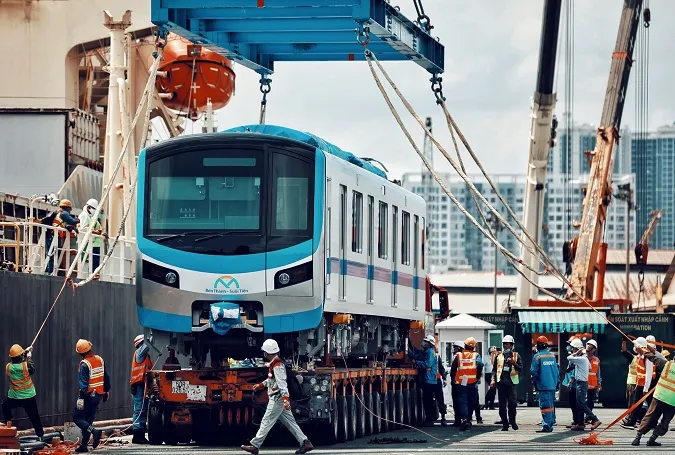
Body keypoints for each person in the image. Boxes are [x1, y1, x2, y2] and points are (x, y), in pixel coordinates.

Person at [241, 339, 313, 455]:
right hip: (279, 399)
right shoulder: (275, 364)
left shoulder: (278, 366)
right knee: (291, 423)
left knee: (266, 421)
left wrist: (285, 400)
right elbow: (271, 380)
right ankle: (305, 442)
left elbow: (282, 384)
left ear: (267, 353)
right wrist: (260, 385)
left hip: (277, 399)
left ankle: (255, 445)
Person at [631, 342, 675, 446]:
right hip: (672, 401)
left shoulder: (667, 364)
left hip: (660, 395)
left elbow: (653, 358)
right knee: (665, 421)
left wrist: (643, 350)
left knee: (650, 416)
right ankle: (652, 439)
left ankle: (637, 438)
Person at [74, 339, 110, 453]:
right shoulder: (100, 359)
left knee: (78, 418)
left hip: (87, 396)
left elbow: (83, 385)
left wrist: (81, 398)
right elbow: (106, 377)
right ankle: (84, 445)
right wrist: (106, 391)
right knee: (88, 420)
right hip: (98, 395)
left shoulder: (84, 364)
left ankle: (94, 431)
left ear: (79, 353)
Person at [1, 344, 44, 439]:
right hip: (28, 397)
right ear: (21, 356)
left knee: (5, 405)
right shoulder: (26, 366)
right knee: (34, 417)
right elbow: (32, 369)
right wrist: (28, 357)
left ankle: (8, 420)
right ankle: (40, 436)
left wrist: (25, 352)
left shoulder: (8, 367)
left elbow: (19, 361)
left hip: (15, 397)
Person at [622, 337, 656, 429]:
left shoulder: (647, 358)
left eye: (637, 347)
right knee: (638, 403)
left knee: (649, 405)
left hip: (646, 385)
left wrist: (645, 389)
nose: (635, 349)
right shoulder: (640, 357)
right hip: (640, 384)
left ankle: (650, 423)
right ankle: (633, 422)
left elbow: (648, 374)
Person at [567, 338, 601, 431]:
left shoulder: (583, 359)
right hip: (584, 383)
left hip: (584, 384)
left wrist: (577, 352)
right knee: (580, 404)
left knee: (582, 404)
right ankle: (581, 423)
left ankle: (594, 420)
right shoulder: (584, 359)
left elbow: (569, 358)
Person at [451, 337, 483, 431]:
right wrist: (477, 376)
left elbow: (453, 368)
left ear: (464, 345)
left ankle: (464, 419)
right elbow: (480, 365)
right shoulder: (476, 355)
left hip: (462, 382)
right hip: (472, 382)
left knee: (463, 401)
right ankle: (468, 419)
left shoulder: (459, 355)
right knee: (471, 401)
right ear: (473, 347)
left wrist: (453, 379)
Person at [491, 335, 521, 431]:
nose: (505, 346)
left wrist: (513, 363)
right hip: (501, 384)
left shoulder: (516, 356)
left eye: (507, 344)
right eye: (504, 344)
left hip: (511, 384)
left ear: (512, 345)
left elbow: (521, 369)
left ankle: (512, 421)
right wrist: (493, 379)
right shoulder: (498, 356)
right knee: (502, 406)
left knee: (512, 404)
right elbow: (494, 369)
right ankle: (505, 423)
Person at [408, 335, 439, 426]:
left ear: (429, 344)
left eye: (426, 341)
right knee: (427, 400)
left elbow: (427, 364)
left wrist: (417, 363)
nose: (423, 343)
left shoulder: (430, 352)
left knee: (428, 401)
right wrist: (408, 348)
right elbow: (415, 356)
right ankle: (429, 418)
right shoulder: (425, 351)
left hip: (429, 380)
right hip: (427, 379)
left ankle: (430, 419)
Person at [530, 336, 559, 433]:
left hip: (543, 385)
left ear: (538, 345)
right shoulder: (552, 356)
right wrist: (556, 383)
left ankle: (547, 425)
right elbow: (556, 372)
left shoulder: (537, 356)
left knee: (545, 406)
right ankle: (549, 423)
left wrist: (534, 382)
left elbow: (534, 372)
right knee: (550, 406)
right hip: (552, 385)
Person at [45, 199, 79, 275]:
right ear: (67, 208)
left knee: (53, 254)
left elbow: (65, 224)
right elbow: (72, 221)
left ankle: (52, 271)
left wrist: (70, 227)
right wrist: (77, 220)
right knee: (54, 255)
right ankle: (51, 272)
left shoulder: (58, 213)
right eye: (70, 209)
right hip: (55, 236)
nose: (70, 212)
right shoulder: (64, 213)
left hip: (52, 236)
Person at [129, 335, 152, 444]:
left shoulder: (143, 356)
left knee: (142, 410)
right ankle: (137, 436)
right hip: (138, 386)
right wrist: (154, 336)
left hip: (141, 386)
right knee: (139, 410)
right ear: (140, 344)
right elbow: (147, 344)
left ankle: (140, 435)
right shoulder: (139, 353)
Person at [78, 199, 105, 273]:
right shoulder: (84, 215)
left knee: (93, 261)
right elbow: (83, 229)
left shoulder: (88, 216)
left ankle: (93, 274)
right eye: (94, 209)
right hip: (86, 242)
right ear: (89, 207)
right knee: (85, 260)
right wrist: (96, 232)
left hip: (89, 242)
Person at [563, 336, 578, 428]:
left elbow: (574, 371)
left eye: (570, 345)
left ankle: (577, 421)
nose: (569, 347)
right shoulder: (573, 357)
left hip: (574, 385)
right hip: (572, 384)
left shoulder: (575, 358)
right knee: (572, 403)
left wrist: (570, 382)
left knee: (575, 403)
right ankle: (575, 420)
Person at [432, 341, 448, 427]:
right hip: (430, 381)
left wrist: (444, 379)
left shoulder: (437, 356)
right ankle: (431, 418)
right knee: (431, 400)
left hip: (436, 380)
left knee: (440, 399)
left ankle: (443, 417)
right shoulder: (426, 355)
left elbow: (441, 368)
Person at [585, 339, 601, 419]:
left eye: (591, 347)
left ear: (594, 349)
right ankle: (580, 418)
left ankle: (588, 417)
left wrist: (599, 383)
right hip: (584, 383)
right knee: (582, 402)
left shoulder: (597, 360)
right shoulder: (582, 358)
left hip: (593, 384)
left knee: (590, 402)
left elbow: (598, 373)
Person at [450, 341, 464, 427]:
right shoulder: (464, 356)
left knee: (456, 401)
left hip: (456, 382)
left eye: (455, 347)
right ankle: (464, 419)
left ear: (458, 348)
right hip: (464, 382)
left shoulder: (457, 356)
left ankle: (458, 421)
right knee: (462, 401)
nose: (453, 349)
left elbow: (453, 370)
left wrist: (452, 379)